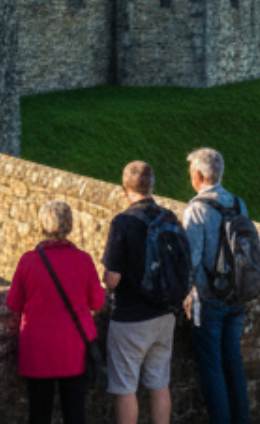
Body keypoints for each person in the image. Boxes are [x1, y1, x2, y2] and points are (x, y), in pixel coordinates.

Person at [7, 199, 106, 424]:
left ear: (42, 226)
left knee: (39, 414)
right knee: (75, 413)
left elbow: (13, 303)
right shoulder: (83, 260)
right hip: (72, 349)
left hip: (37, 350)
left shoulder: (28, 261)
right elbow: (97, 302)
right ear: (69, 226)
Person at [101, 160, 182, 424]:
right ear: (151, 185)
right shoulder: (168, 217)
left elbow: (112, 280)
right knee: (159, 384)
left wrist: (105, 275)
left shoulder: (123, 222)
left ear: (124, 187)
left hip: (131, 318)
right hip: (164, 314)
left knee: (125, 389)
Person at [182, 147, 250, 424]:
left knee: (212, 368)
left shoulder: (196, 210)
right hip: (237, 294)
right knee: (233, 360)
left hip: (209, 299)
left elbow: (192, 261)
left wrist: (184, 296)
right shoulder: (238, 203)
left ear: (198, 175)